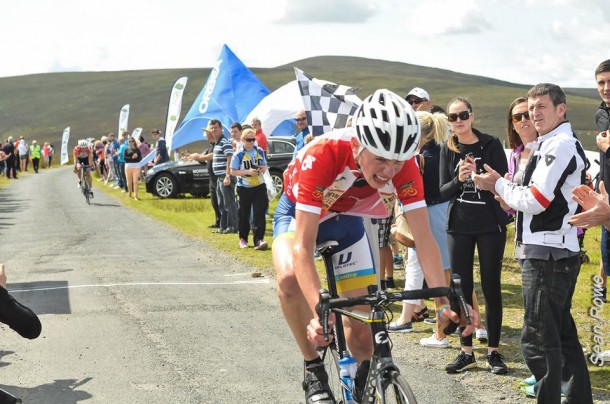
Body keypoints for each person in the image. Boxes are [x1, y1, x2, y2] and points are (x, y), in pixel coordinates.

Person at [272, 89, 477, 404]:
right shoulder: (323, 154)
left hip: (347, 220)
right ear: (357, 145)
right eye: (380, 158)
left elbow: (424, 237)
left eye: (397, 161)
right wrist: (319, 312)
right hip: (299, 216)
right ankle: (313, 368)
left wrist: (441, 299)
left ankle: (364, 385)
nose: (389, 171)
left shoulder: (404, 164)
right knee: (288, 280)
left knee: (363, 330)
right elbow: (302, 247)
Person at [473, 83, 593, 403]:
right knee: (561, 335)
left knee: (538, 339)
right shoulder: (547, 143)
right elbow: (527, 198)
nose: (533, 114)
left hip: (548, 254)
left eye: (540, 107)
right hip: (549, 250)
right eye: (528, 109)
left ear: (561, 109)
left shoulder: (560, 145)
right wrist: (503, 188)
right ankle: (576, 398)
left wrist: (496, 182)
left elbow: (537, 200)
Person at [439, 97, 510, 375]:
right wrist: (458, 179)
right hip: (459, 227)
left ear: (472, 115)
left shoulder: (491, 144)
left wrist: (485, 180)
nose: (459, 121)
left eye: (463, 115)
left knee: (491, 286)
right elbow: (441, 192)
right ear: (449, 121)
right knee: (461, 287)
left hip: (491, 224)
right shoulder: (448, 148)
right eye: (453, 117)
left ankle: (493, 351)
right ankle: (466, 351)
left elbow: (504, 182)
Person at [389, 111, 453, 347]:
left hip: (428, 213)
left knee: (441, 272)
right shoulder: (444, 150)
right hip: (443, 211)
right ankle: (409, 318)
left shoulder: (420, 157)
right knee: (434, 268)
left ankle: (442, 332)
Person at [590, 59, 610, 303]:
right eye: (601, 83)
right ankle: (599, 288)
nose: (606, 88)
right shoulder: (601, 113)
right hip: (607, 192)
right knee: (606, 249)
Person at [230, 128, 269, 250]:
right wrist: (247, 172)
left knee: (259, 213)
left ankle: (259, 240)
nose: (251, 142)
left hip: (259, 186)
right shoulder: (238, 154)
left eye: (253, 139)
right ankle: (243, 239)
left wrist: (263, 169)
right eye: (249, 140)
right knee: (244, 214)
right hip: (244, 187)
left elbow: (265, 165)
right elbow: (232, 171)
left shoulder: (260, 151)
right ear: (242, 140)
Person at [209, 120, 238, 234]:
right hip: (219, 178)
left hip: (225, 177)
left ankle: (233, 227)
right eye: (212, 128)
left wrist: (227, 175)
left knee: (229, 203)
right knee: (221, 203)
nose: (214, 130)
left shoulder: (224, 142)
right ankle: (223, 227)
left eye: (216, 128)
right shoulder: (217, 143)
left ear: (221, 129)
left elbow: (229, 158)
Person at [124, 136, 142, 200]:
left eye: (132, 141)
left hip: (136, 166)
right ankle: (129, 191)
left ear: (134, 142)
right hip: (128, 167)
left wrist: (136, 157)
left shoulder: (137, 149)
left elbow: (140, 158)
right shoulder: (126, 149)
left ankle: (135, 196)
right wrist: (132, 158)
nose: (131, 142)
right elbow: (125, 158)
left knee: (135, 181)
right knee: (129, 182)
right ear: (128, 142)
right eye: (129, 141)